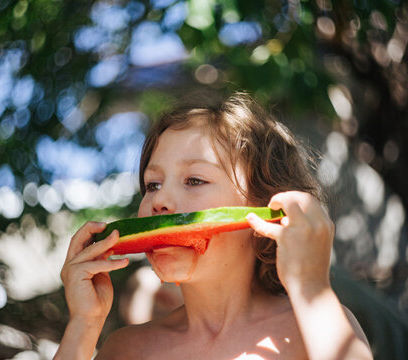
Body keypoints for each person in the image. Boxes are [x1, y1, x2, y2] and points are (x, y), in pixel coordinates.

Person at [55, 92, 373, 359]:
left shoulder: (315, 329)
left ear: (266, 208)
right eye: (152, 185)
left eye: (194, 180)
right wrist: (84, 324)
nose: (159, 200)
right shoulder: (127, 350)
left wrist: (312, 287)